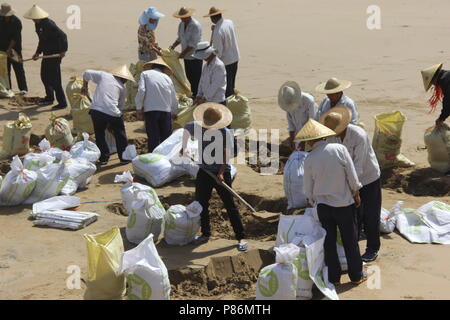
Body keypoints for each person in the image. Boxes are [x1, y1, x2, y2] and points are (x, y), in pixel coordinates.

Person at [300, 119, 366, 285]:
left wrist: (312, 200)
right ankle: (356, 276)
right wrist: (356, 192)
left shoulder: (309, 159)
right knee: (350, 241)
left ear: (309, 140)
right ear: (323, 136)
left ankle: (334, 277)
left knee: (328, 243)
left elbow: (308, 188)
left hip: (323, 207)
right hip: (343, 204)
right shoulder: (338, 149)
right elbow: (352, 176)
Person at [181, 103, 247, 251]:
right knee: (201, 203)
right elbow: (186, 127)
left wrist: (221, 172)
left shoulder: (224, 133)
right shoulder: (197, 126)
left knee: (229, 204)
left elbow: (227, 154)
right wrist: (184, 146)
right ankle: (205, 234)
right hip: (204, 170)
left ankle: (241, 236)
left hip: (221, 171)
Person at [320, 106, 382, 262]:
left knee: (370, 215)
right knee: (355, 215)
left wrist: (351, 188)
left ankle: (372, 248)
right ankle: (354, 250)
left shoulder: (359, 136)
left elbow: (358, 167)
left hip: (368, 178)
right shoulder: (331, 138)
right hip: (349, 181)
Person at [81, 65, 134, 165]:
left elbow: (86, 72)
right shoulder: (122, 88)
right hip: (112, 112)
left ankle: (104, 158)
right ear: (124, 78)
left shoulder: (104, 76)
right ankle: (124, 157)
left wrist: (85, 85)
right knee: (120, 134)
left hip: (95, 110)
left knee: (99, 134)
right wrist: (112, 122)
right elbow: (120, 107)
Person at [23, 5, 68, 109]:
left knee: (55, 79)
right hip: (47, 54)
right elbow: (42, 40)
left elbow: (63, 36)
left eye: (34, 18)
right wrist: (37, 53)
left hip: (55, 54)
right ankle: (49, 97)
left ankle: (62, 103)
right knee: (44, 76)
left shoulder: (49, 24)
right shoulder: (38, 25)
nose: (33, 20)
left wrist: (63, 50)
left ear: (38, 17)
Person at [135, 57, 178, 153]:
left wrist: (138, 108)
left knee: (153, 138)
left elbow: (141, 90)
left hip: (151, 110)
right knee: (166, 139)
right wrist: (174, 112)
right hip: (166, 111)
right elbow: (173, 97)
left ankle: (153, 160)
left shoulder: (145, 74)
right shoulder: (167, 78)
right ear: (163, 69)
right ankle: (166, 159)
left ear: (152, 67)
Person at [204, 7, 240, 98]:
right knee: (231, 84)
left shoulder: (217, 32)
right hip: (235, 57)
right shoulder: (229, 22)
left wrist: (209, 60)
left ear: (212, 18)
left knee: (227, 87)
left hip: (226, 61)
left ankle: (229, 106)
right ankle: (232, 100)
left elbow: (218, 52)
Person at [170, 7, 202, 98]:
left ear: (188, 16)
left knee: (196, 78)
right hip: (187, 57)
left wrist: (182, 54)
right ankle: (194, 94)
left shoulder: (195, 26)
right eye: (181, 17)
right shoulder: (181, 25)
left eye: (183, 17)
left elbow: (193, 44)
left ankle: (197, 96)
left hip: (195, 56)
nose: (181, 19)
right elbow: (180, 38)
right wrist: (173, 46)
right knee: (189, 76)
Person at [278, 81, 317, 151]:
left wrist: (303, 141)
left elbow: (312, 123)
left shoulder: (308, 101)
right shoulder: (287, 103)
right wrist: (292, 140)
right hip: (298, 133)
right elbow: (291, 125)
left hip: (312, 132)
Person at [0, 3, 27, 94]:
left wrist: (9, 49)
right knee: (5, 70)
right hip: (2, 50)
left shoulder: (17, 22)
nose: (6, 17)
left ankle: (23, 89)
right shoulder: (0, 19)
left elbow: (15, 38)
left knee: (19, 69)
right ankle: (8, 89)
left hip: (15, 49)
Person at [420, 63, 450, 127]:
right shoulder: (446, 74)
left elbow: (448, 102)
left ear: (433, 78)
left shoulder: (444, 80)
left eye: (432, 83)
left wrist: (441, 118)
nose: (434, 85)